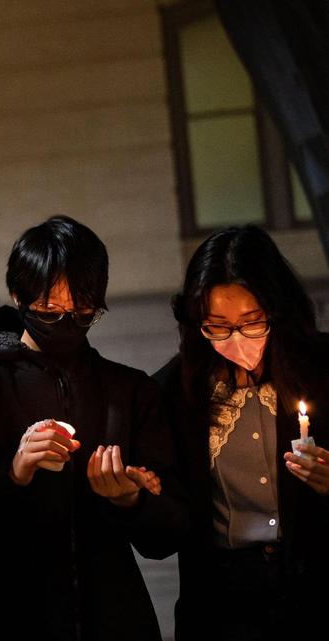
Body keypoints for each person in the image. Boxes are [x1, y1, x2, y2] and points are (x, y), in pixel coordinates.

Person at [0, 215, 188, 641]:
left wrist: (131, 499)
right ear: (17, 297)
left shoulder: (129, 390)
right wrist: (13, 472)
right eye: (49, 312)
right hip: (6, 617)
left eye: (83, 314)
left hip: (112, 617)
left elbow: (166, 537)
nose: (66, 327)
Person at [156, 225, 329, 641]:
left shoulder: (322, 370)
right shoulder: (173, 393)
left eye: (252, 322)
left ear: (277, 309)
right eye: (217, 326)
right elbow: (165, 525)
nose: (236, 340)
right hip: (223, 603)